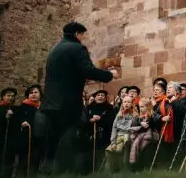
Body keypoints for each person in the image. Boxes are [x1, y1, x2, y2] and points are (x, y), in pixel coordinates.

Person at [41, 22, 118, 174]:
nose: (83, 39)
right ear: (77, 34)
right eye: (82, 35)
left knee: (52, 141)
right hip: (67, 104)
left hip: (50, 103)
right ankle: (65, 172)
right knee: (68, 139)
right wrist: (109, 75)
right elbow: (87, 70)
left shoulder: (54, 50)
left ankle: (48, 171)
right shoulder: (77, 48)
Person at [79, 89, 115, 174]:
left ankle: (101, 172)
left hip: (105, 136)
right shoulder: (88, 108)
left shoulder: (109, 108)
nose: (100, 97)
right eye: (98, 95)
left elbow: (112, 121)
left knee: (102, 155)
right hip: (91, 136)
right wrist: (90, 120)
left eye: (102, 95)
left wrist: (100, 119)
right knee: (90, 155)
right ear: (94, 97)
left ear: (105, 98)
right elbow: (84, 121)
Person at [0, 87, 18, 178]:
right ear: (3, 97)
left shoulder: (16, 109)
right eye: (8, 95)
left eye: (12, 96)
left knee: (8, 164)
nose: (10, 98)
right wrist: (5, 117)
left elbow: (17, 124)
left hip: (10, 142)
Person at [16, 85, 44, 177]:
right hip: (26, 139)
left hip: (39, 139)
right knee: (23, 162)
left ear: (40, 94)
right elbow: (17, 119)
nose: (33, 94)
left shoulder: (43, 107)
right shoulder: (24, 106)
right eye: (31, 93)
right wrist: (22, 122)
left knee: (35, 162)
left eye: (36, 92)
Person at [106, 95, 136, 172]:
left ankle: (125, 169)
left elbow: (131, 128)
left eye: (129, 102)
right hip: (119, 136)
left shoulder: (134, 115)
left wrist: (123, 126)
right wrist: (113, 141)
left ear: (132, 104)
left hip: (128, 136)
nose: (126, 104)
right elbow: (114, 128)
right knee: (111, 150)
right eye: (125, 102)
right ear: (122, 103)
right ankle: (113, 169)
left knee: (125, 145)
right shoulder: (119, 115)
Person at [150, 81, 175, 169]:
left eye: (157, 90)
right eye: (154, 90)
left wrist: (161, 118)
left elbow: (156, 114)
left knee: (164, 148)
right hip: (156, 129)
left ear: (163, 92)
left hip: (164, 129)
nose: (155, 92)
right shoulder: (154, 101)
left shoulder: (165, 101)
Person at [129, 98, 158, 169]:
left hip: (149, 136)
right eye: (139, 107)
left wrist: (139, 126)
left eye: (142, 107)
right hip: (141, 136)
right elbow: (135, 125)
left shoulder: (151, 115)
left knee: (146, 151)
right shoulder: (140, 116)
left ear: (148, 106)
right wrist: (140, 124)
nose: (140, 109)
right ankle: (138, 166)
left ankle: (146, 166)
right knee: (139, 149)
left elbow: (147, 126)